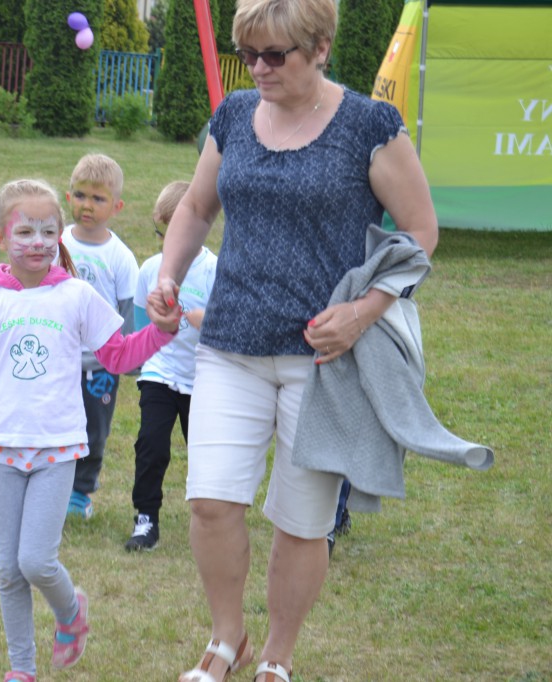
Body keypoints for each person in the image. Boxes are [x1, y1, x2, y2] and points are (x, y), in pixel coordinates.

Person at [144, 0, 439, 680]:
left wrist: (365, 310)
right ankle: (226, 641)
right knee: (212, 503)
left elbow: (420, 231)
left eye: (275, 54)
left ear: (321, 48)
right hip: (230, 341)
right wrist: (168, 275)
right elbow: (196, 205)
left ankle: (277, 656)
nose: (258, 67)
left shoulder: (369, 125)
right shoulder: (234, 117)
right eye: (250, 53)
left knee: (301, 521)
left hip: (323, 358)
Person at [0, 178, 179, 682]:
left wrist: (162, 332)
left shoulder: (77, 296)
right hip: (2, 450)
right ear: (1, 234)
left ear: (60, 233)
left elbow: (118, 354)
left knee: (36, 561)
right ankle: (22, 669)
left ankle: (70, 613)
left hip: (59, 447)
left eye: (48, 231)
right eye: (25, 231)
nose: (38, 242)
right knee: (7, 570)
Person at [125, 180, 217, 551]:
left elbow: (229, 324)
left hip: (204, 377)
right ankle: (146, 519)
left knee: (206, 453)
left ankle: (212, 521)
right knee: (150, 445)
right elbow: (139, 326)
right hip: (159, 374)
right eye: (162, 232)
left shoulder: (215, 270)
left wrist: (200, 319)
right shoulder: (151, 269)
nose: (168, 242)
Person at [59, 153, 139, 519]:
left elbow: (127, 312)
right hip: (56, 357)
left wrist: (127, 358)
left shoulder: (120, 257)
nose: (86, 205)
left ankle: (80, 492)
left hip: (100, 366)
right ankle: (48, 483)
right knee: (54, 422)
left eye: (98, 198)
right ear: (67, 196)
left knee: (93, 431)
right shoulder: (57, 244)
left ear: (117, 206)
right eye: (80, 195)